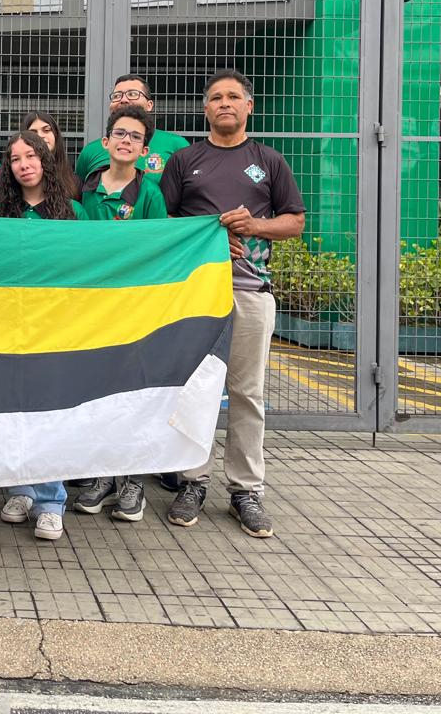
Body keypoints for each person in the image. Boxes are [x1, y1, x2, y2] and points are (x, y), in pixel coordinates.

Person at [160, 69, 305, 539]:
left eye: (233, 97)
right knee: (192, 389)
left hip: (250, 292)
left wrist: (253, 227)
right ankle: (192, 480)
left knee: (247, 393)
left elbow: (294, 222)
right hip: (195, 295)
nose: (224, 103)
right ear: (205, 108)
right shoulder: (185, 160)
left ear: (249, 106)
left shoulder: (270, 161)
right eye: (216, 97)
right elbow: (164, 226)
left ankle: (246, 489)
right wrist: (210, 239)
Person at [72, 105, 169, 523]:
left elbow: (160, 246)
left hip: (133, 310)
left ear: (144, 149)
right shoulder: (85, 190)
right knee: (94, 391)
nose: (125, 141)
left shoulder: (149, 194)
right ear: (105, 142)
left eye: (134, 136)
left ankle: (131, 481)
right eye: (119, 134)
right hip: (91, 309)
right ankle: (100, 476)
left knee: (131, 394)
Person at [0, 130, 87, 541]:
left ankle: (51, 501)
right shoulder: (1, 215)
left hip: (55, 329)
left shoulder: (74, 213)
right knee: (12, 408)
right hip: (10, 328)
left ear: (46, 160)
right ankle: (20, 489)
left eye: (31, 156)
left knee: (48, 414)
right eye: (15, 159)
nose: (24, 164)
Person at [74, 74, 189, 185]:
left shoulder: (176, 145)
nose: (123, 99)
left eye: (132, 94)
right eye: (117, 96)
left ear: (149, 105)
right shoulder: (90, 151)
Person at [18, 110, 78, 201]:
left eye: (46, 130)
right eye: (33, 133)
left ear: (55, 135)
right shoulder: (8, 174)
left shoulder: (73, 181)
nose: (40, 136)